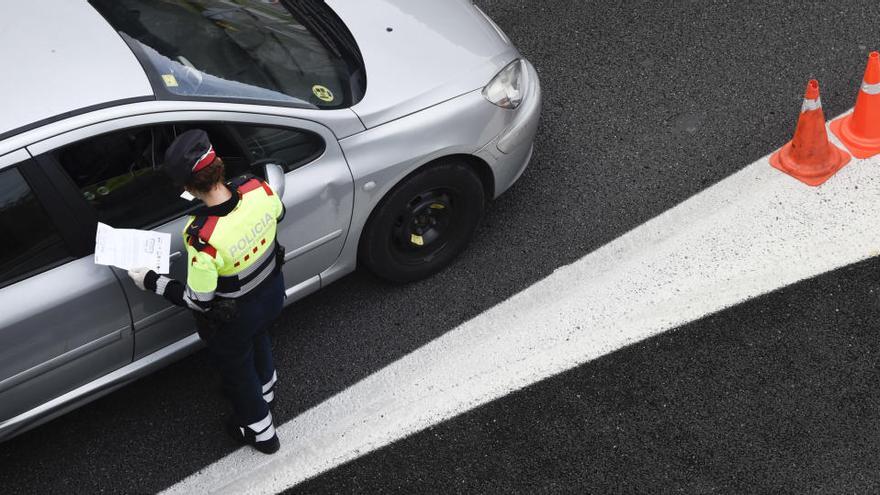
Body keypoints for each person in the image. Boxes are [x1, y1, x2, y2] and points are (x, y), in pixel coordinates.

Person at [127, 129, 286, 454]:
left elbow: (198, 300)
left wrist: (151, 280)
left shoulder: (202, 235)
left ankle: (260, 430)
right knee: (261, 337)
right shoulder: (257, 188)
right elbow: (278, 214)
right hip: (272, 294)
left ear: (187, 187)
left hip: (237, 318)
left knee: (238, 373)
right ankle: (267, 389)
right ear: (219, 165)